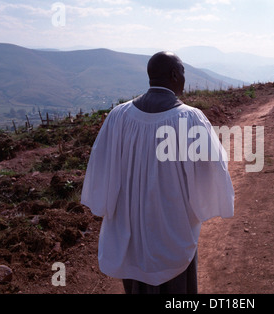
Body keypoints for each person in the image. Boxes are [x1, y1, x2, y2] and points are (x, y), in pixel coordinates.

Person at [81, 51, 235, 294]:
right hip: (172, 229)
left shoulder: (118, 116)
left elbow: (101, 169)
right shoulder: (190, 119)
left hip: (128, 227)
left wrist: (106, 204)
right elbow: (211, 171)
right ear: (175, 75)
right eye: (183, 73)